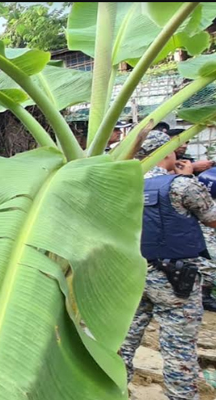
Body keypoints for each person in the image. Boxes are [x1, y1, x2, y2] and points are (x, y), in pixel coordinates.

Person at [120, 131, 216, 400]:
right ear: (168, 153)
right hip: (175, 281)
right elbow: (212, 219)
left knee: (123, 340)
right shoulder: (182, 186)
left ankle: (115, 388)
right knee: (178, 347)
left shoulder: (122, 184)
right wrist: (187, 178)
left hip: (131, 275)